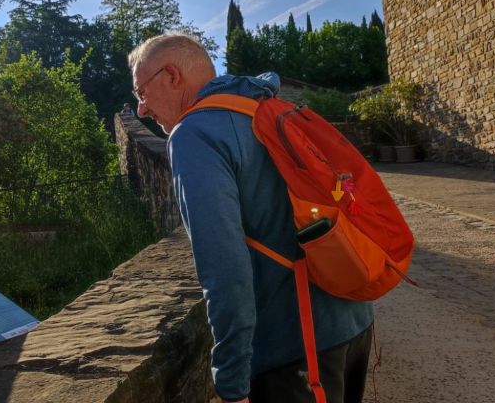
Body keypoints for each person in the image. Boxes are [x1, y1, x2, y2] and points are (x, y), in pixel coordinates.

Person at [129, 32, 374, 403]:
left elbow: (224, 268)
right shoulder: (263, 105)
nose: (141, 110)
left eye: (141, 93)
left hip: (295, 353)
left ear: (172, 76)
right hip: (353, 319)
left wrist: (232, 380)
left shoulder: (194, 135)